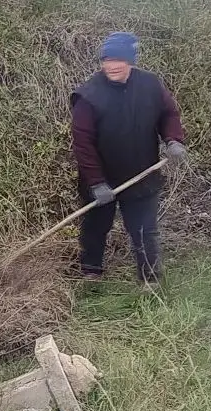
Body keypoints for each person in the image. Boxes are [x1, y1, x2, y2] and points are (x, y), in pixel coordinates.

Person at [70, 32, 188, 284]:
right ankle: (91, 274)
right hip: (101, 177)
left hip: (141, 173)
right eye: (107, 60)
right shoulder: (88, 96)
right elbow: (82, 144)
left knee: (144, 230)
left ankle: (150, 280)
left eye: (118, 60)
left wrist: (173, 140)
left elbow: (168, 114)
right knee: (95, 227)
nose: (111, 66)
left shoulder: (150, 85)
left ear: (131, 61)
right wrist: (96, 182)